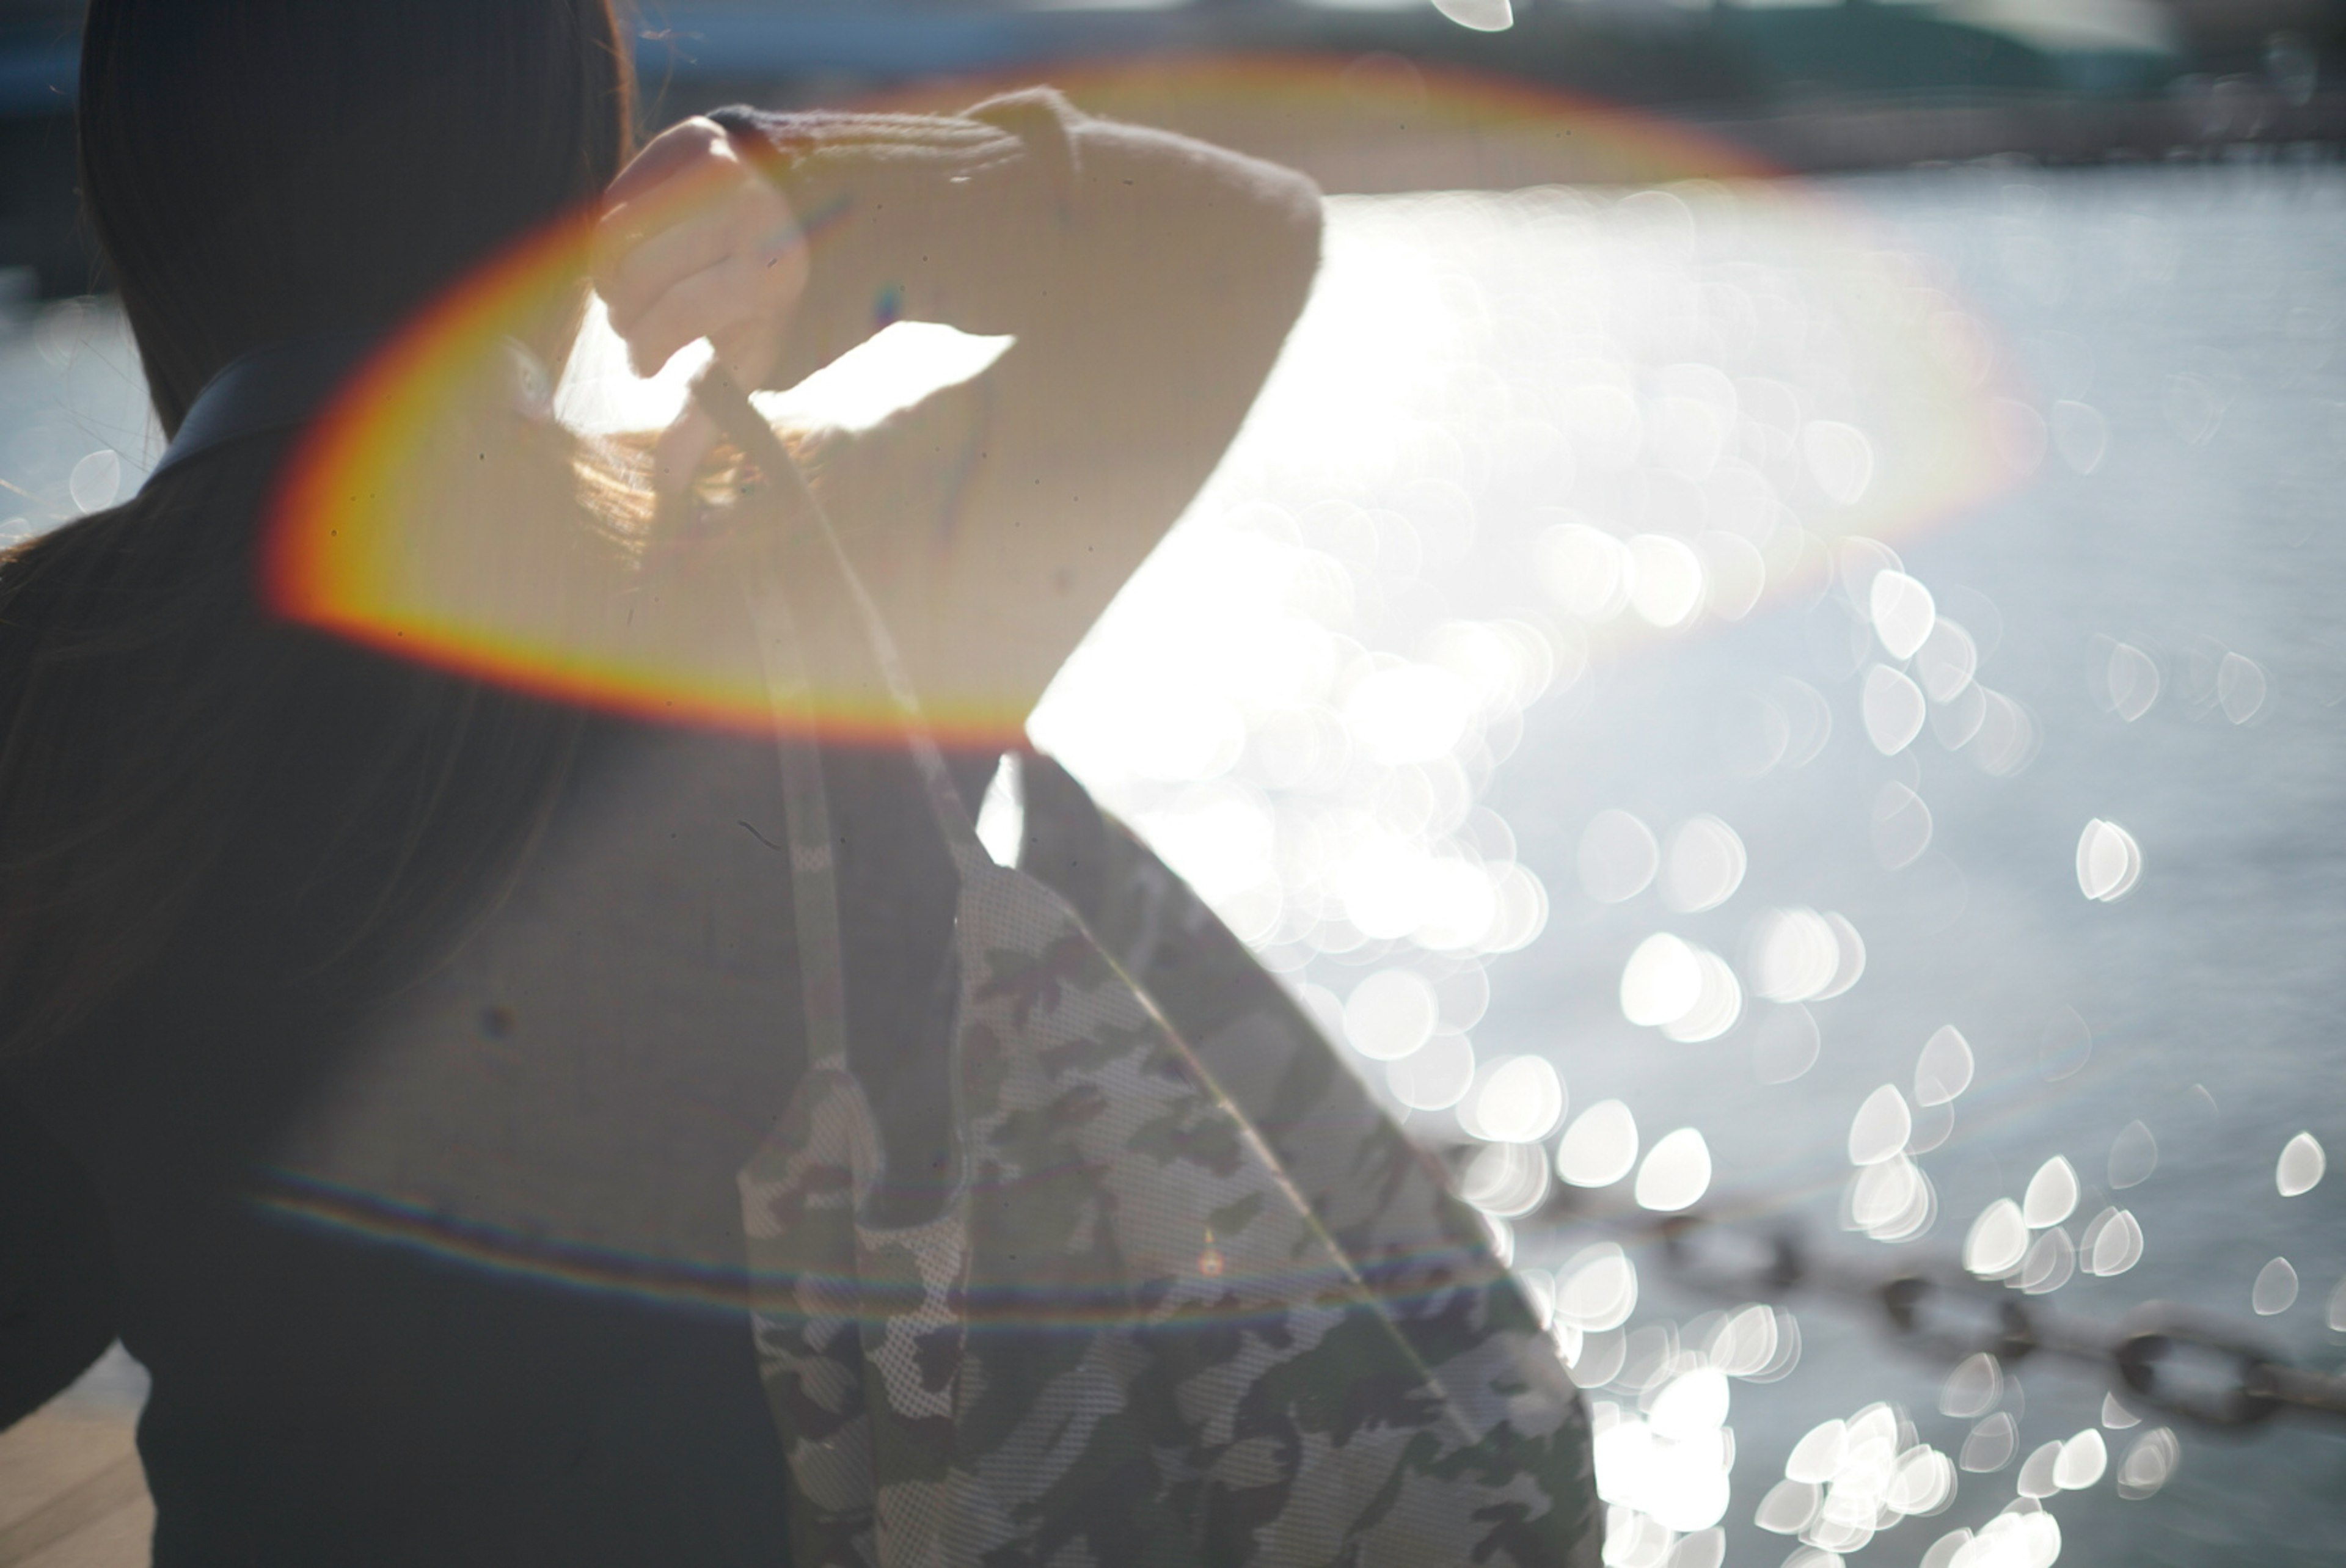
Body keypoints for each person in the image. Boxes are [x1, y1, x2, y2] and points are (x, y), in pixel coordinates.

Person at [0, 2, 1333, 1561]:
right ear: (571, 179)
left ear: (133, 188)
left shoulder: (43, 682)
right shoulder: (790, 590)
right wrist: (821, 194)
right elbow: (1240, 239)